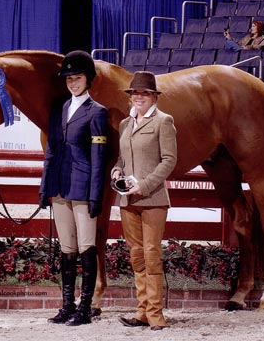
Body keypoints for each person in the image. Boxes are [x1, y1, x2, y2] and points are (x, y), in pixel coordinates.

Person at [39, 50, 108, 326]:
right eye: (69, 78)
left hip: (82, 188)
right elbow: (51, 151)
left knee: (86, 247)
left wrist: (95, 195)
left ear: (88, 79)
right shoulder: (60, 109)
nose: (72, 82)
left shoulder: (97, 112)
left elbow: (99, 160)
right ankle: (67, 305)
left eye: (77, 77)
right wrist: (45, 188)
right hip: (60, 187)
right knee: (67, 248)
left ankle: (85, 307)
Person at [111, 71, 177, 331]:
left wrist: (145, 184)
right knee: (136, 256)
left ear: (153, 96)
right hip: (127, 200)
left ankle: (156, 314)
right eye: (135, 93)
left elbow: (169, 160)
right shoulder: (125, 125)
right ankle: (142, 311)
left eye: (144, 93)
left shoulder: (164, 121)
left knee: (151, 255)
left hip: (152, 199)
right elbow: (121, 159)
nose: (139, 97)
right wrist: (116, 171)